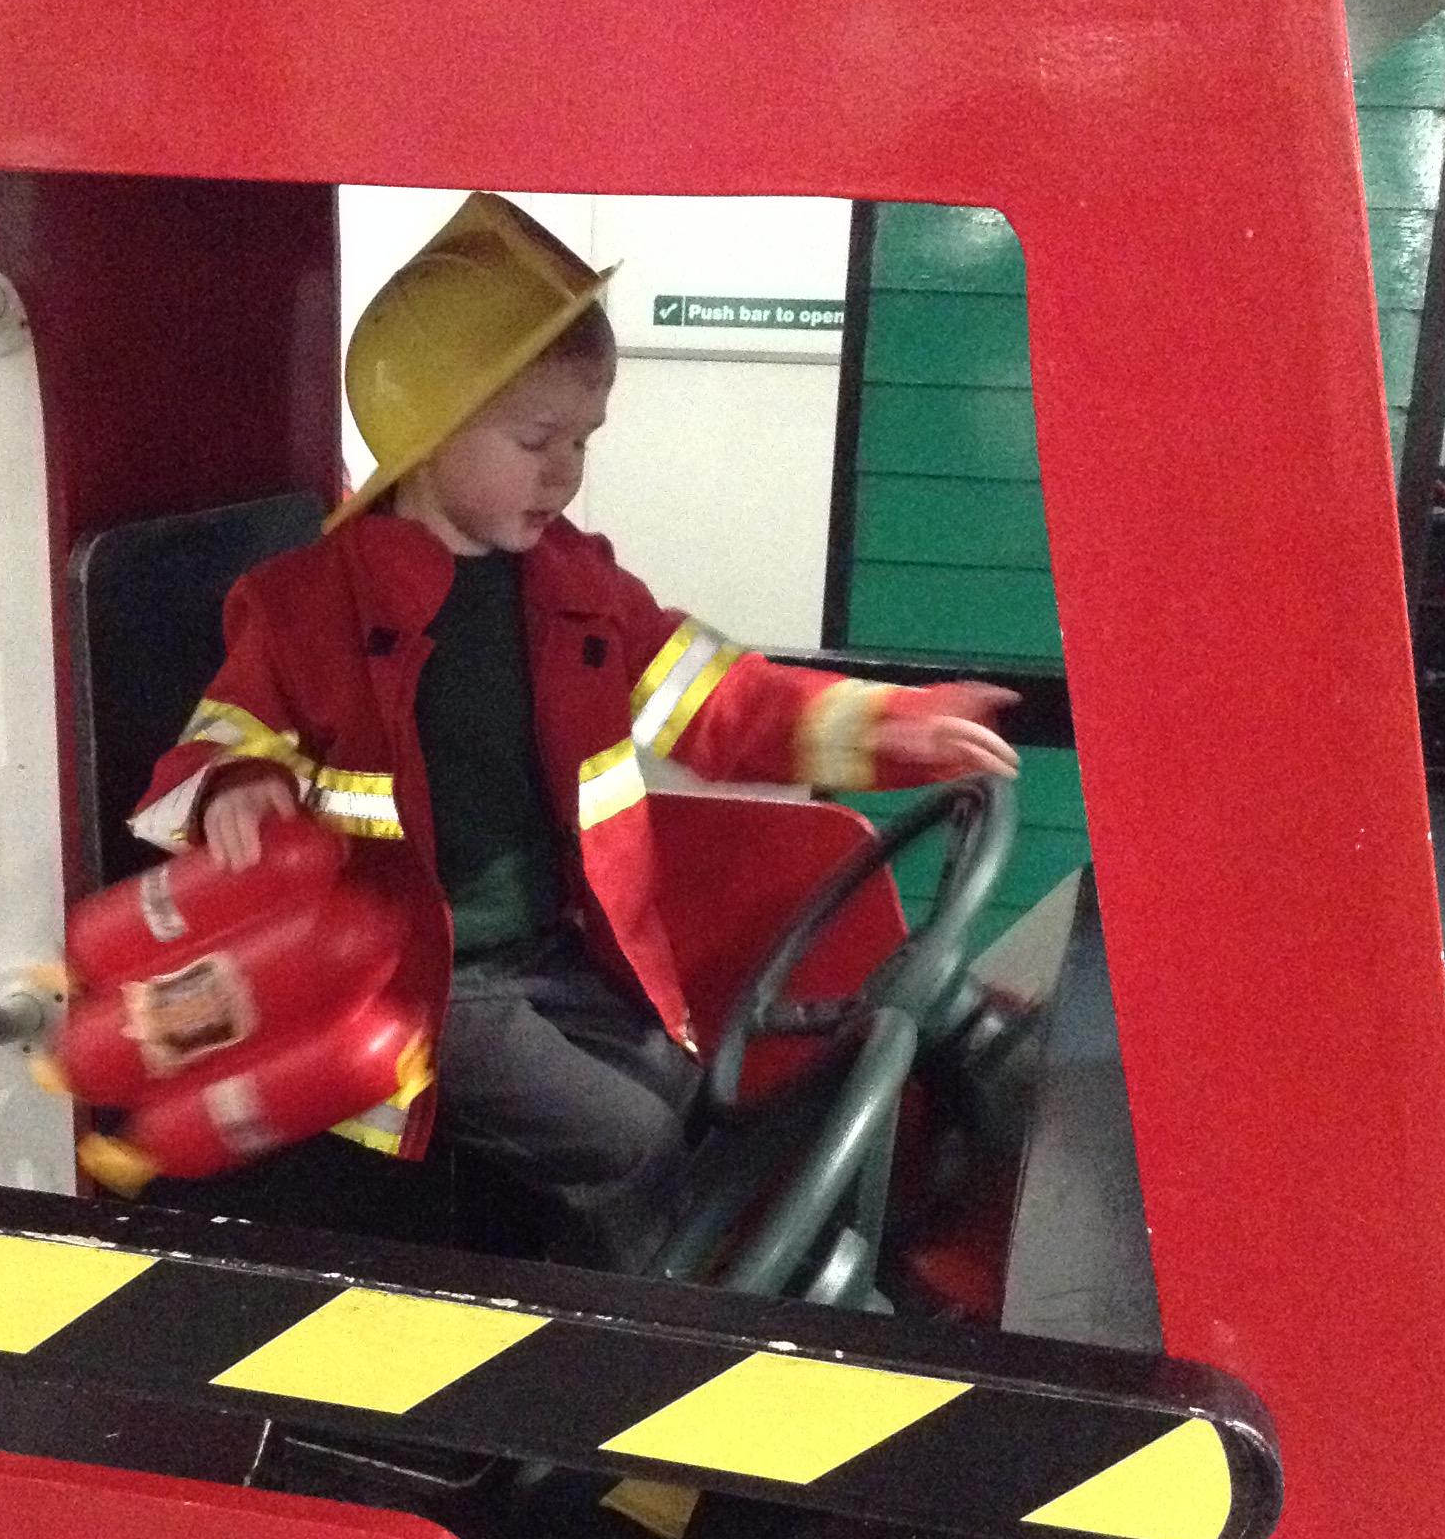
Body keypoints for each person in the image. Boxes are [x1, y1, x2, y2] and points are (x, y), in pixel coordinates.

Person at [131, 193, 1018, 1269]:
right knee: (625, 1141)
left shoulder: (578, 592)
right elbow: (231, 724)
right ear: (426, 436)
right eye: (535, 439)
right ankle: (658, 1327)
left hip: (556, 951)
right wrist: (236, 783)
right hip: (416, 981)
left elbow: (721, 703)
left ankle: (614, 1287)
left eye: (582, 440)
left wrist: (889, 728)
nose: (566, 471)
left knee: (684, 1097)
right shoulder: (303, 605)